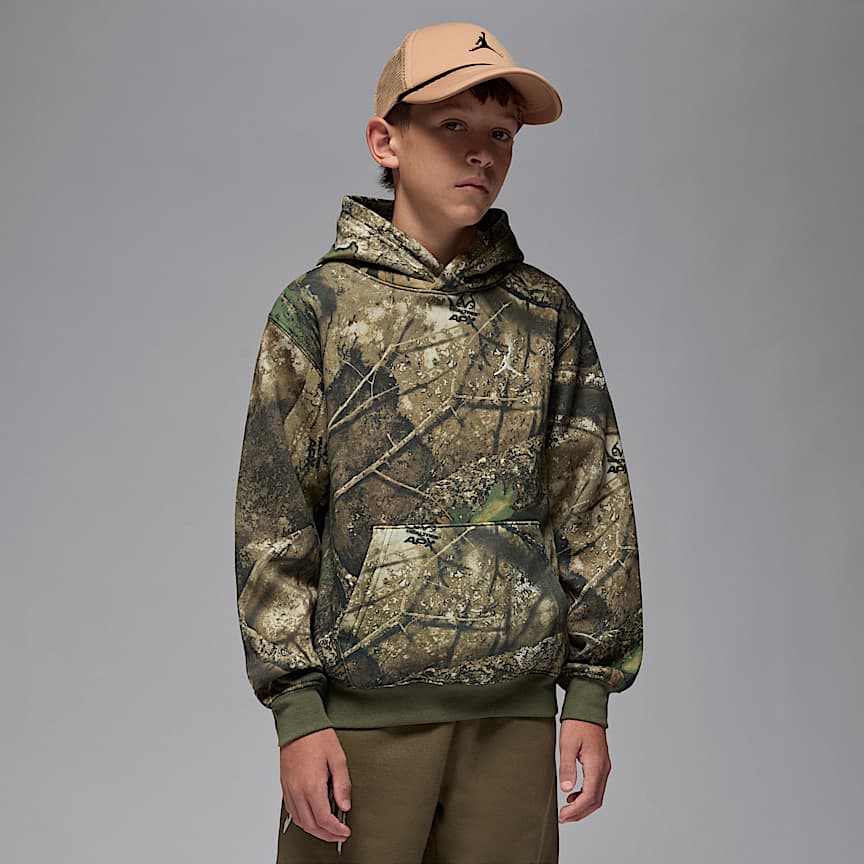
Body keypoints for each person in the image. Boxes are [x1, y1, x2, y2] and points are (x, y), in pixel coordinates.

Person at [234, 21, 643, 864]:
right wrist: (296, 711)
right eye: (452, 125)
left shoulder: (545, 314)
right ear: (386, 141)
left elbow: (594, 503)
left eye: (502, 134)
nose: (481, 154)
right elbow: (273, 521)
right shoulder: (317, 310)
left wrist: (590, 694)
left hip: (514, 715)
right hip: (359, 717)